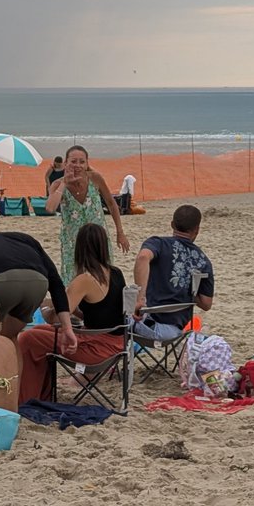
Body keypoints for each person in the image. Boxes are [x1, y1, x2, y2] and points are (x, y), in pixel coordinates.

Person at [17, 223, 127, 404]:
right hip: (117, 342)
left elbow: (55, 318)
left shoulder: (84, 280)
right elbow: (103, 314)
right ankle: (42, 391)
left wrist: (43, 307)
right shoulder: (116, 272)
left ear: (79, 248)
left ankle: (29, 395)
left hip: (97, 347)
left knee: (28, 338)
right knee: (41, 333)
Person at [45, 145, 130, 282]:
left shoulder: (95, 178)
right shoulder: (57, 184)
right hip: (73, 241)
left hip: (98, 239)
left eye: (82, 161)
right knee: (74, 279)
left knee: (102, 277)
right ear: (66, 163)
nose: (77, 165)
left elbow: (111, 203)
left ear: (87, 164)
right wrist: (64, 183)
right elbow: (50, 208)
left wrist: (120, 232)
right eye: (73, 161)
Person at [133, 205, 214, 341]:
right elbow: (206, 304)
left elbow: (142, 258)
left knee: (112, 316)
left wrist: (140, 299)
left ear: (172, 224)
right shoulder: (203, 261)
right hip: (173, 331)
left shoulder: (158, 243)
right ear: (197, 230)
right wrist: (185, 290)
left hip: (146, 324)